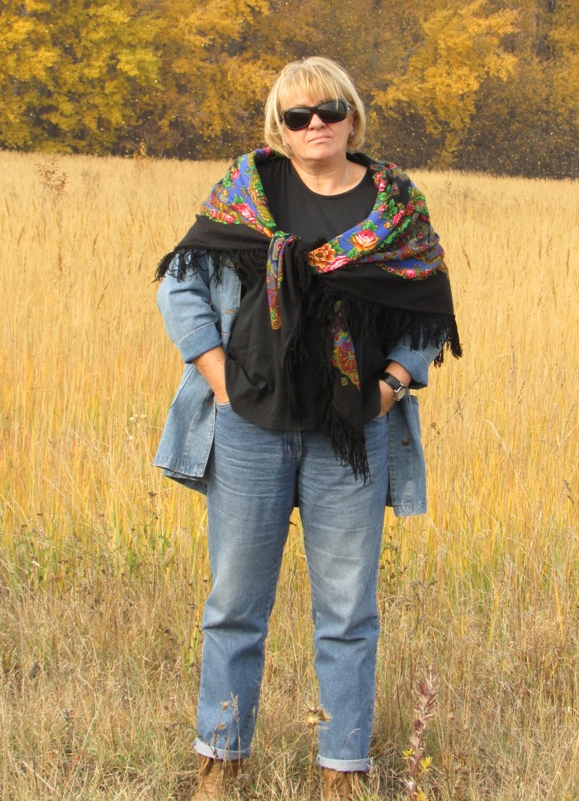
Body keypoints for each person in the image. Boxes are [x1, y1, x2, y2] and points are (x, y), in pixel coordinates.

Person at [154, 57, 460, 801]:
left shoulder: (396, 207)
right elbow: (180, 285)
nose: (315, 124)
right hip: (249, 429)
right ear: (280, 128)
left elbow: (427, 305)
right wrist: (220, 379)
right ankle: (219, 764)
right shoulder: (246, 194)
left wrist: (390, 387)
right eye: (298, 116)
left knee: (348, 612)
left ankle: (341, 773)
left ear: (352, 117)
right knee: (234, 607)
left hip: (350, 436)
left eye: (328, 110)